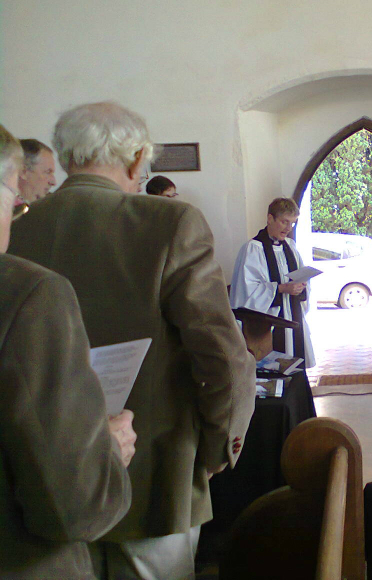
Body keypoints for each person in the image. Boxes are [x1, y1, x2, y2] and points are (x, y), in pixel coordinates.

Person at [8, 102, 256, 580]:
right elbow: (224, 358)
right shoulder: (170, 224)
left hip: (45, 485)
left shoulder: (16, 232)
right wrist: (215, 451)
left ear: (66, 154)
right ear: (138, 157)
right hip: (156, 480)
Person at [0, 123, 136, 578]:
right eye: (13, 198)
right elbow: (75, 507)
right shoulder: (29, 294)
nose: (19, 211)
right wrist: (109, 453)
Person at [229, 197, 315, 367]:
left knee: (296, 368)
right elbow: (247, 291)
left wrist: (301, 287)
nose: (289, 228)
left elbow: (302, 279)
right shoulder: (253, 249)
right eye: (284, 222)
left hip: (293, 315)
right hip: (269, 326)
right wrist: (281, 288)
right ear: (270, 218)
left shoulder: (290, 246)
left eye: (292, 223)